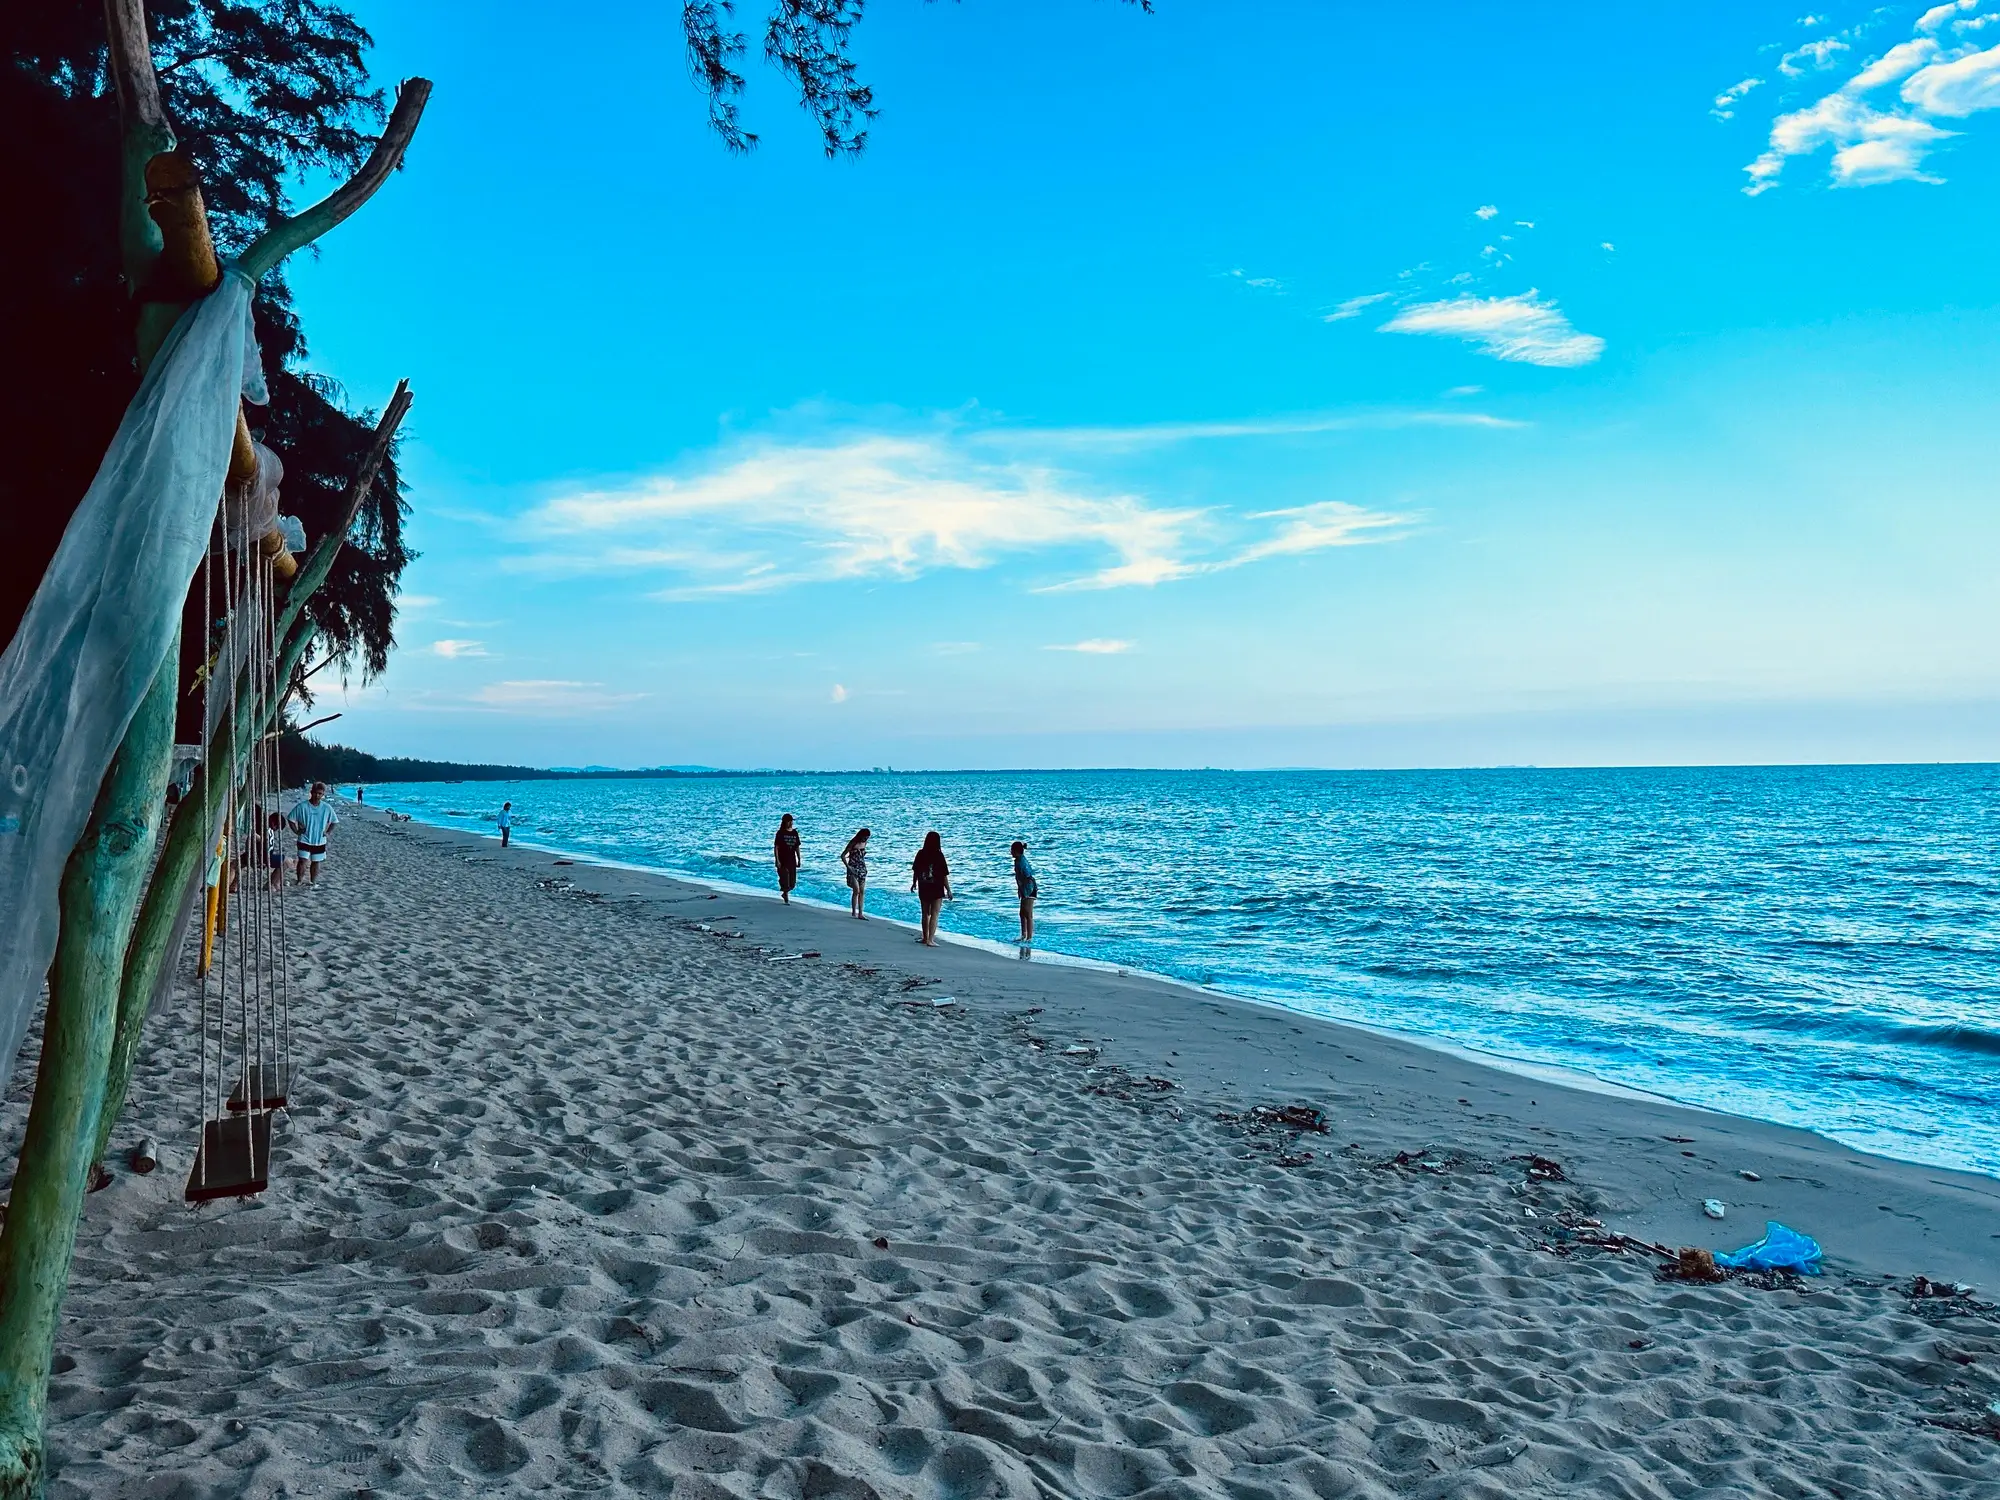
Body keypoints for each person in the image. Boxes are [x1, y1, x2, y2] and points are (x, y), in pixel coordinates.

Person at [288, 781, 338, 885]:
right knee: (302, 860)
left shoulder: (327, 808)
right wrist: (296, 831)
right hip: (304, 838)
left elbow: (334, 821)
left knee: (316, 861)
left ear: (323, 794)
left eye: (320, 793)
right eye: (315, 793)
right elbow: (290, 819)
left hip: (319, 840)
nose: (317, 795)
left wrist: (328, 832)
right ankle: (300, 880)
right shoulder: (302, 806)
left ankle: (313, 881)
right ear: (311, 792)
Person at [911, 831, 952, 947]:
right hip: (936, 887)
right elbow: (944, 875)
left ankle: (925, 938)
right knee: (934, 914)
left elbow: (916, 870)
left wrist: (914, 883)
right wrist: (948, 889)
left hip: (924, 886)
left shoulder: (921, 853)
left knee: (925, 913)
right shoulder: (939, 855)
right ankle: (930, 940)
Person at [1011, 839, 1038, 947]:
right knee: (1022, 913)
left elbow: (1028, 876)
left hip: (1030, 889)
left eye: (1012, 850)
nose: (1011, 852)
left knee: (1028, 913)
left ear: (1017, 851)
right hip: (1023, 889)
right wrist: (1020, 889)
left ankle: (1029, 938)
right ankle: (1023, 935)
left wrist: (1025, 890)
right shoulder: (1017, 860)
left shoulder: (1022, 861)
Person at [841, 827, 871, 919]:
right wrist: (848, 867)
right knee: (856, 890)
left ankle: (860, 913)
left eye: (867, 837)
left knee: (862, 891)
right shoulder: (853, 842)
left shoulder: (865, 843)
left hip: (862, 868)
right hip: (853, 868)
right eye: (865, 837)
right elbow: (842, 855)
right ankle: (854, 911)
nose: (866, 839)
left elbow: (862, 856)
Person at [773, 814, 801, 903]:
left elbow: (797, 847)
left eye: (791, 821)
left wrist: (799, 859)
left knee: (792, 883)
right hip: (782, 859)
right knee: (785, 878)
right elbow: (776, 847)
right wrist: (777, 860)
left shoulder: (794, 833)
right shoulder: (780, 833)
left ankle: (785, 892)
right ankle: (786, 895)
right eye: (789, 821)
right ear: (785, 822)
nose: (791, 823)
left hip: (792, 859)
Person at [266, 810, 288, 891]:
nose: (276, 829)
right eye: (277, 827)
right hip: (265, 857)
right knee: (285, 862)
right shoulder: (266, 829)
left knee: (284, 860)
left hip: (267, 856)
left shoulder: (268, 829)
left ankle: (274, 882)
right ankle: (272, 883)